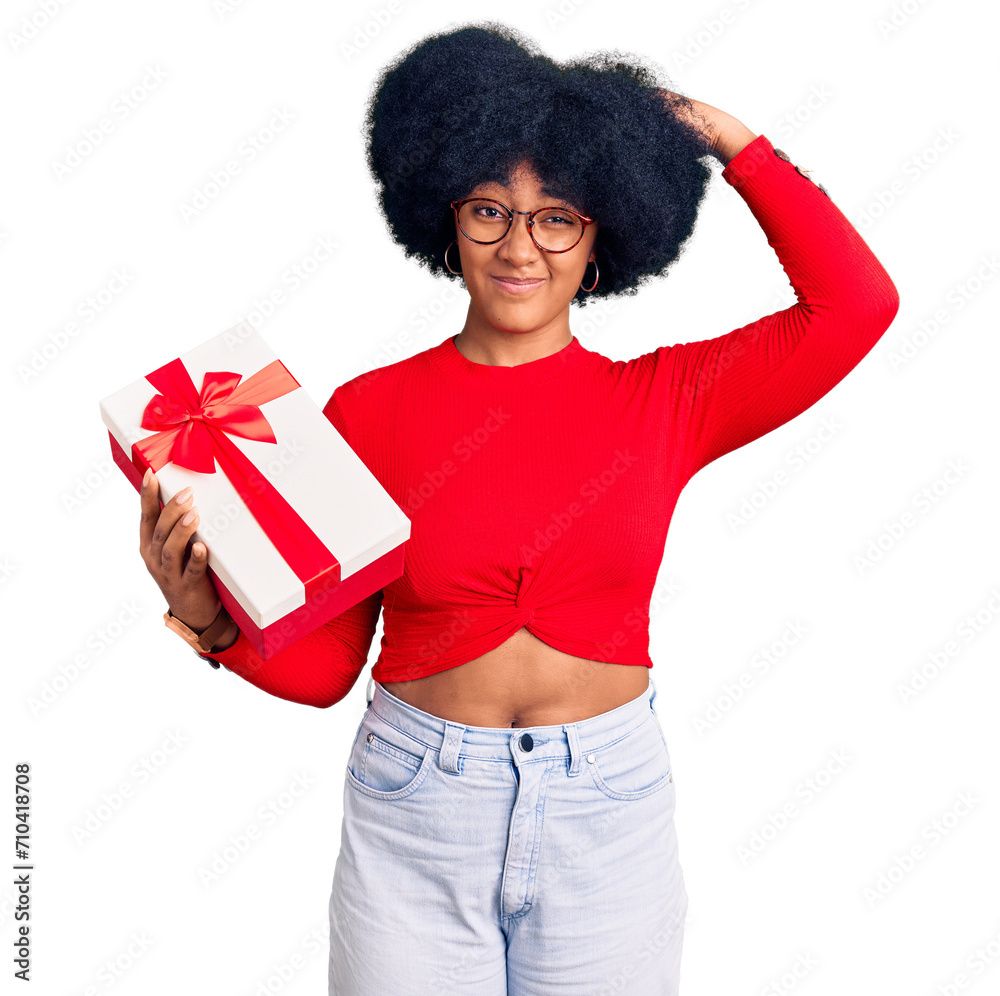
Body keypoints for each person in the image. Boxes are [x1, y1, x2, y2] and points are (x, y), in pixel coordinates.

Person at [137, 22, 899, 996]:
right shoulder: (365, 413)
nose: (519, 246)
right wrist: (206, 622)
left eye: (557, 218)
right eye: (489, 210)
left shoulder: (668, 400)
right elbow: (328, 668)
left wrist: (728, 140)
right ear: (446, 218)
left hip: (608, 811)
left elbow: (855, 305)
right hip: (414, 807)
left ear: (604, 236)